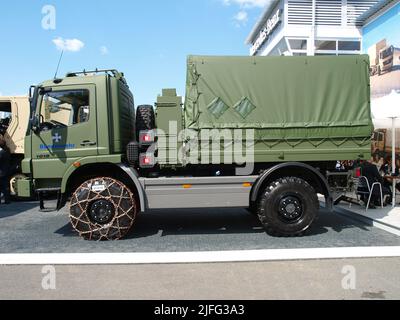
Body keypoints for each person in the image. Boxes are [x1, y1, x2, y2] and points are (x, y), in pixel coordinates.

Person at [0, 135, 11, 205]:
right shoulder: (7, 149)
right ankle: (7, 200)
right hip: (6, 170)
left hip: (1, 172)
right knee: (6, 186)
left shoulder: (1, 152)